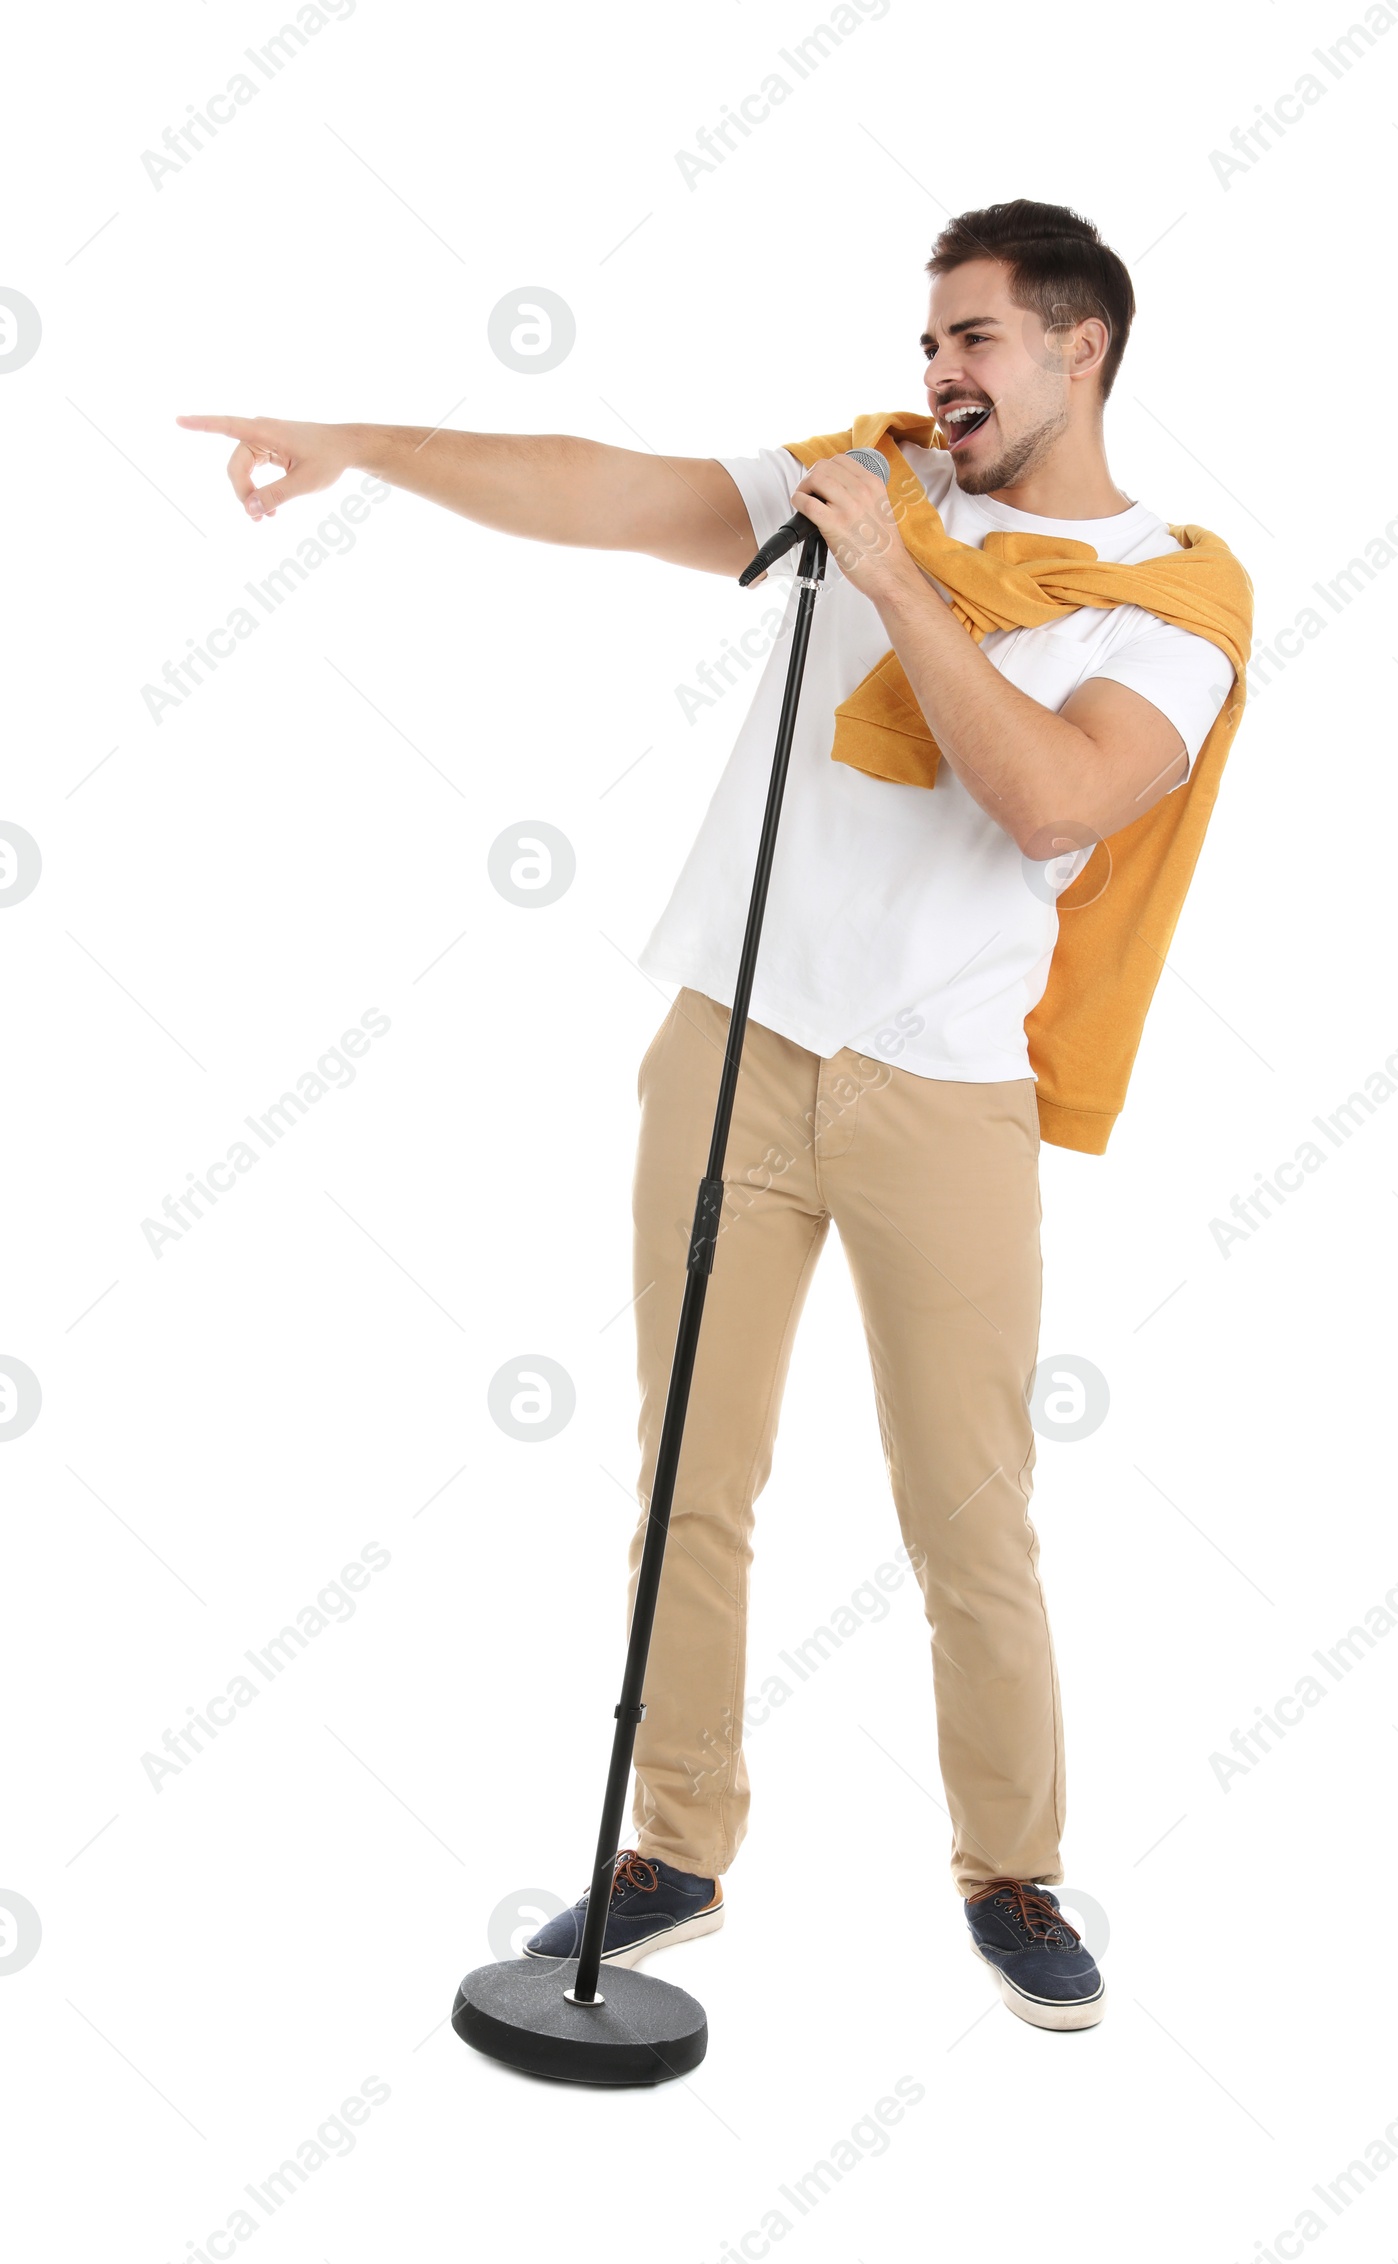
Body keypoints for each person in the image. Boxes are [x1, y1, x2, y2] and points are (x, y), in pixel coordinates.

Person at [180, 199, 1251, 2034]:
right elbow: (610, 489)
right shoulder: (865, 478)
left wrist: (907, 577)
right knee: (688, 1480)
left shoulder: (1175, 590)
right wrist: (368, 448)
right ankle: (674, 1847)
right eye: (930, 343)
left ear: (1084, 349)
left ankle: (1012, 1873)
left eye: (977, 340)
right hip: (733, 1044)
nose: (940, 375)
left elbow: (1055, 802)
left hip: (947, 1092)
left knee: (967, 1515)